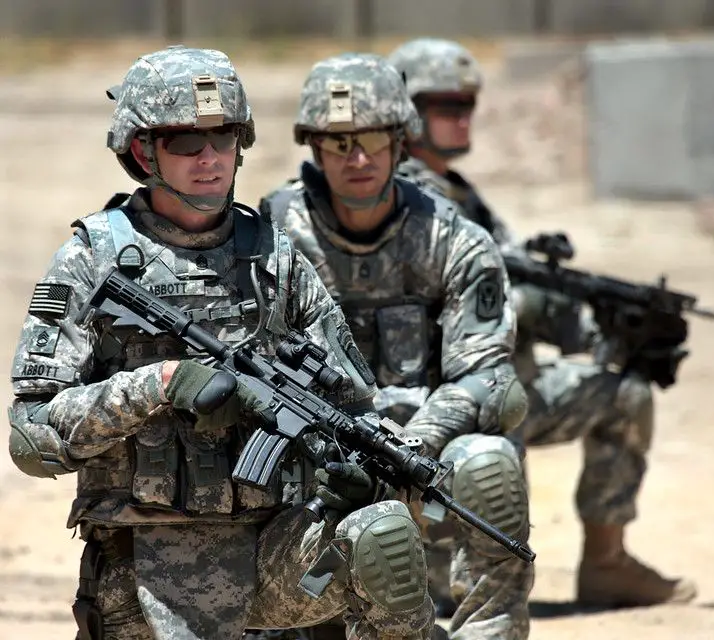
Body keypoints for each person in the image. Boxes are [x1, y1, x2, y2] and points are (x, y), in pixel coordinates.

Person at [7, 45, 435, 640]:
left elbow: (356, 405)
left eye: (224, 137)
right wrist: (158, 386)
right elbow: (32, 437)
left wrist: (373, 469)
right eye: (186, 142)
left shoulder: (273, 256)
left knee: (383, 532)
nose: (209, 159)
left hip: (272, 551)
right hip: (145, 568)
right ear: (142, 151)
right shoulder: (94, 259)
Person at [388, 37, 699, 607]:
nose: (463, 119)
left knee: (625, 393)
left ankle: (606, 562)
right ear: (405, 112)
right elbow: (474, 303)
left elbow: (527, 282)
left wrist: (607, 331)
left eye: (468, 106)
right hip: (444, 398)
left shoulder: (460, 194)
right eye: (447, 107)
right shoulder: (401, 201)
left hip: (514, 382)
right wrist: (541, 305)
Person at [259, 52, 534, 640]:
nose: (357, 159)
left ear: (401, 143)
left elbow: (485, 375)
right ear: (312, 146)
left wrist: (413, 443)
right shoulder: (271, 237)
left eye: (373, 140)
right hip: (318, 458)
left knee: (491, 466)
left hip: (425, 451)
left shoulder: (452, 235)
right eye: (339, 142)